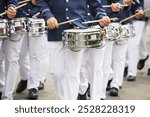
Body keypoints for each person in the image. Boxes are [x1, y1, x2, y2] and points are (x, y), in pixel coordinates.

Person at [37, 0, 110, 100]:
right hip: (56, 30)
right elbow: (41, 1)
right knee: (56, 73)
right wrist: (48, 15)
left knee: (72, 73)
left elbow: (95, 5)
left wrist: (102, 16)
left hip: (77, 31)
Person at [15, 0, 48, 99]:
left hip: (37, 17)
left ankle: (33, 86)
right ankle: (25, 77)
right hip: (20, 17)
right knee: (20, 53)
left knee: (36, 54)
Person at [0, 0, 25, 100]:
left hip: (14, 21)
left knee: (12, 59)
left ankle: (7, 96)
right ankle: (1, 88)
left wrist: (12, 6)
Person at [126, 0, 146, 81]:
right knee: (126, 44)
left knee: (134, 44)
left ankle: (132, 72)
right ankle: (144, 55)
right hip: (123, 15)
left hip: (139, 13)